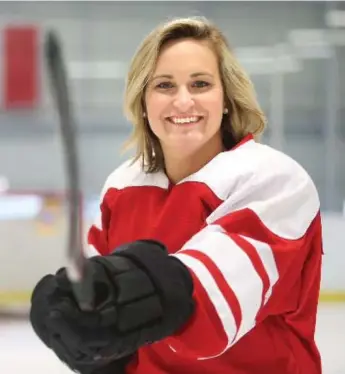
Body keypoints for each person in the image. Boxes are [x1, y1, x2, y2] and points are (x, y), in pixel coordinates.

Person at [30, 16, 323, 374]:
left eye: (200, 84)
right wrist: (80, 322)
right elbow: (104, 308)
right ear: (143, 101)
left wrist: (134, 294)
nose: (183, 101)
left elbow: (212, 313)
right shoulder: (122, 186)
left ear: (227, 98)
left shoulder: (275, 180)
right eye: (165, 85)